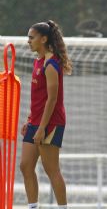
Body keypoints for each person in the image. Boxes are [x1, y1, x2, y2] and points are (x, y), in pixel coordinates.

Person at [20, 20, 72, 209]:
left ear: (43, 39)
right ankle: (34, 206)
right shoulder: (38, 61)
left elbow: (52, 99)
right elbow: (39, 98)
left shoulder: (51, 63)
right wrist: (29, 120)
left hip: (51, 123)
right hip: (36, 121)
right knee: (25, 166)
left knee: (51, 170)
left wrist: (41, 128)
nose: (28, 41)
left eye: (31, 37)